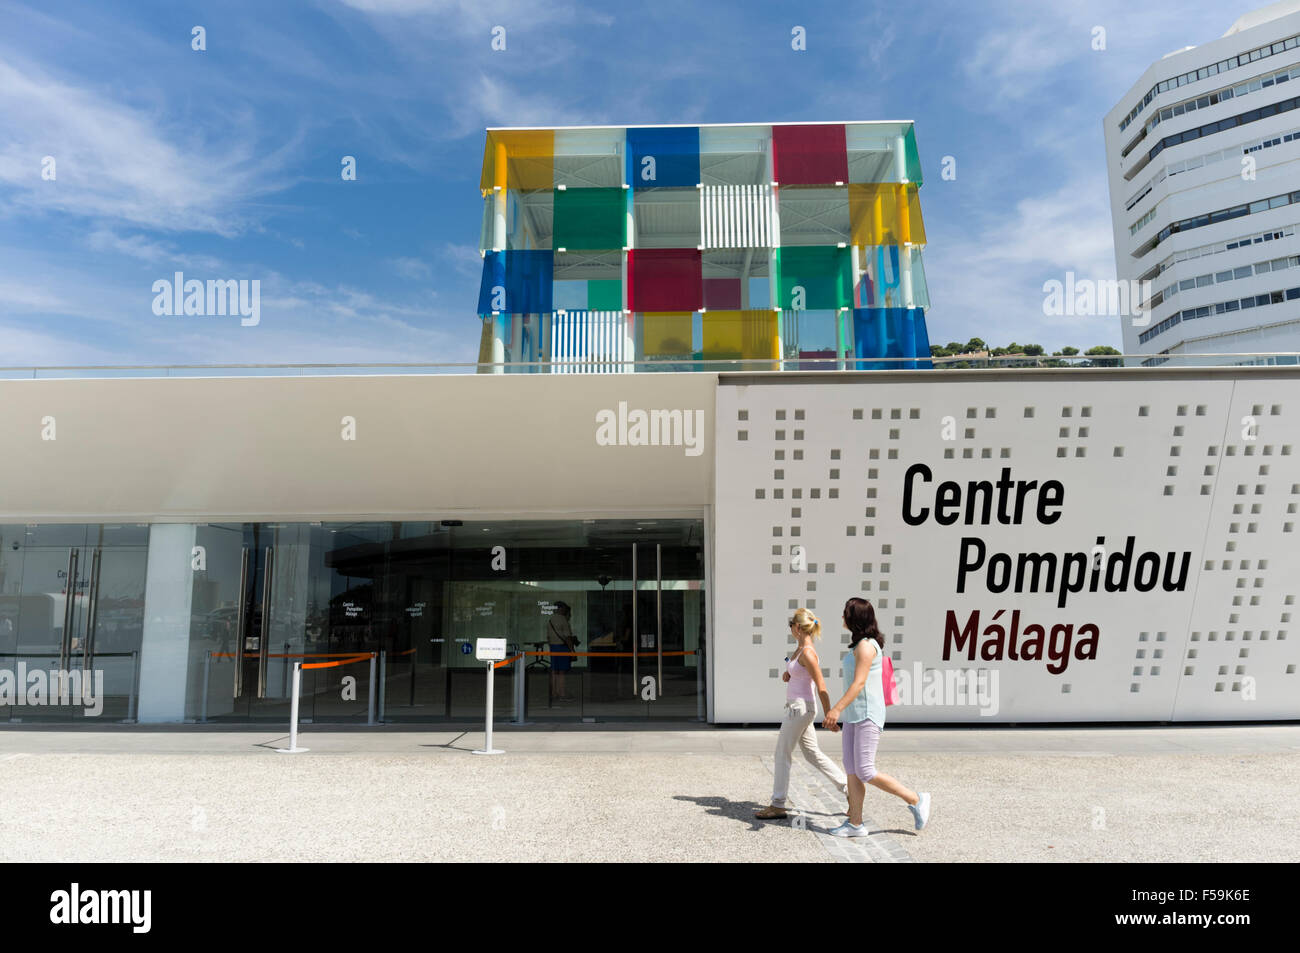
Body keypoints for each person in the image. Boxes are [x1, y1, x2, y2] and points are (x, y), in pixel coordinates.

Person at [823, 597, 931, 836]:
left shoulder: (866, 646)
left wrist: (836, 709)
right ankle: (855, 823)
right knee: (851, 770)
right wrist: (843, 712)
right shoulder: (858, 645)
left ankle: (915, 798)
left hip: (867, 714)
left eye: (845, 614)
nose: (842, 617)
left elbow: (859, 682)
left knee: (865, 771)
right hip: (854, 715)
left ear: (854, 618)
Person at [753, 608, 848, 820]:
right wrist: (789, 674)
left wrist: (830, 714)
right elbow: (800, 674)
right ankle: (850, 790)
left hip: (800, 709)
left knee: (781, 753)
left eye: (791, 625)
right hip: (799, 707)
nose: (790, 629)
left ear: (797, 627)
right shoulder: (799, 650)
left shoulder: (808, 653)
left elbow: (821, 685)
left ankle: (778, 804)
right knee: (812, 754)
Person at [547, 601, 579, 702]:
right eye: (564, 608)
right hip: (562, 647)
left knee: (554, 671)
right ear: (560, 608)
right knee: (562, 672)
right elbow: (567, 637)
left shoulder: (550, 620)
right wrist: (572, 650)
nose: (565, 610)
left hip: (553, 647)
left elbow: (548, 637)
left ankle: (553, 693)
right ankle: (562, 693)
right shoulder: (563, 620)